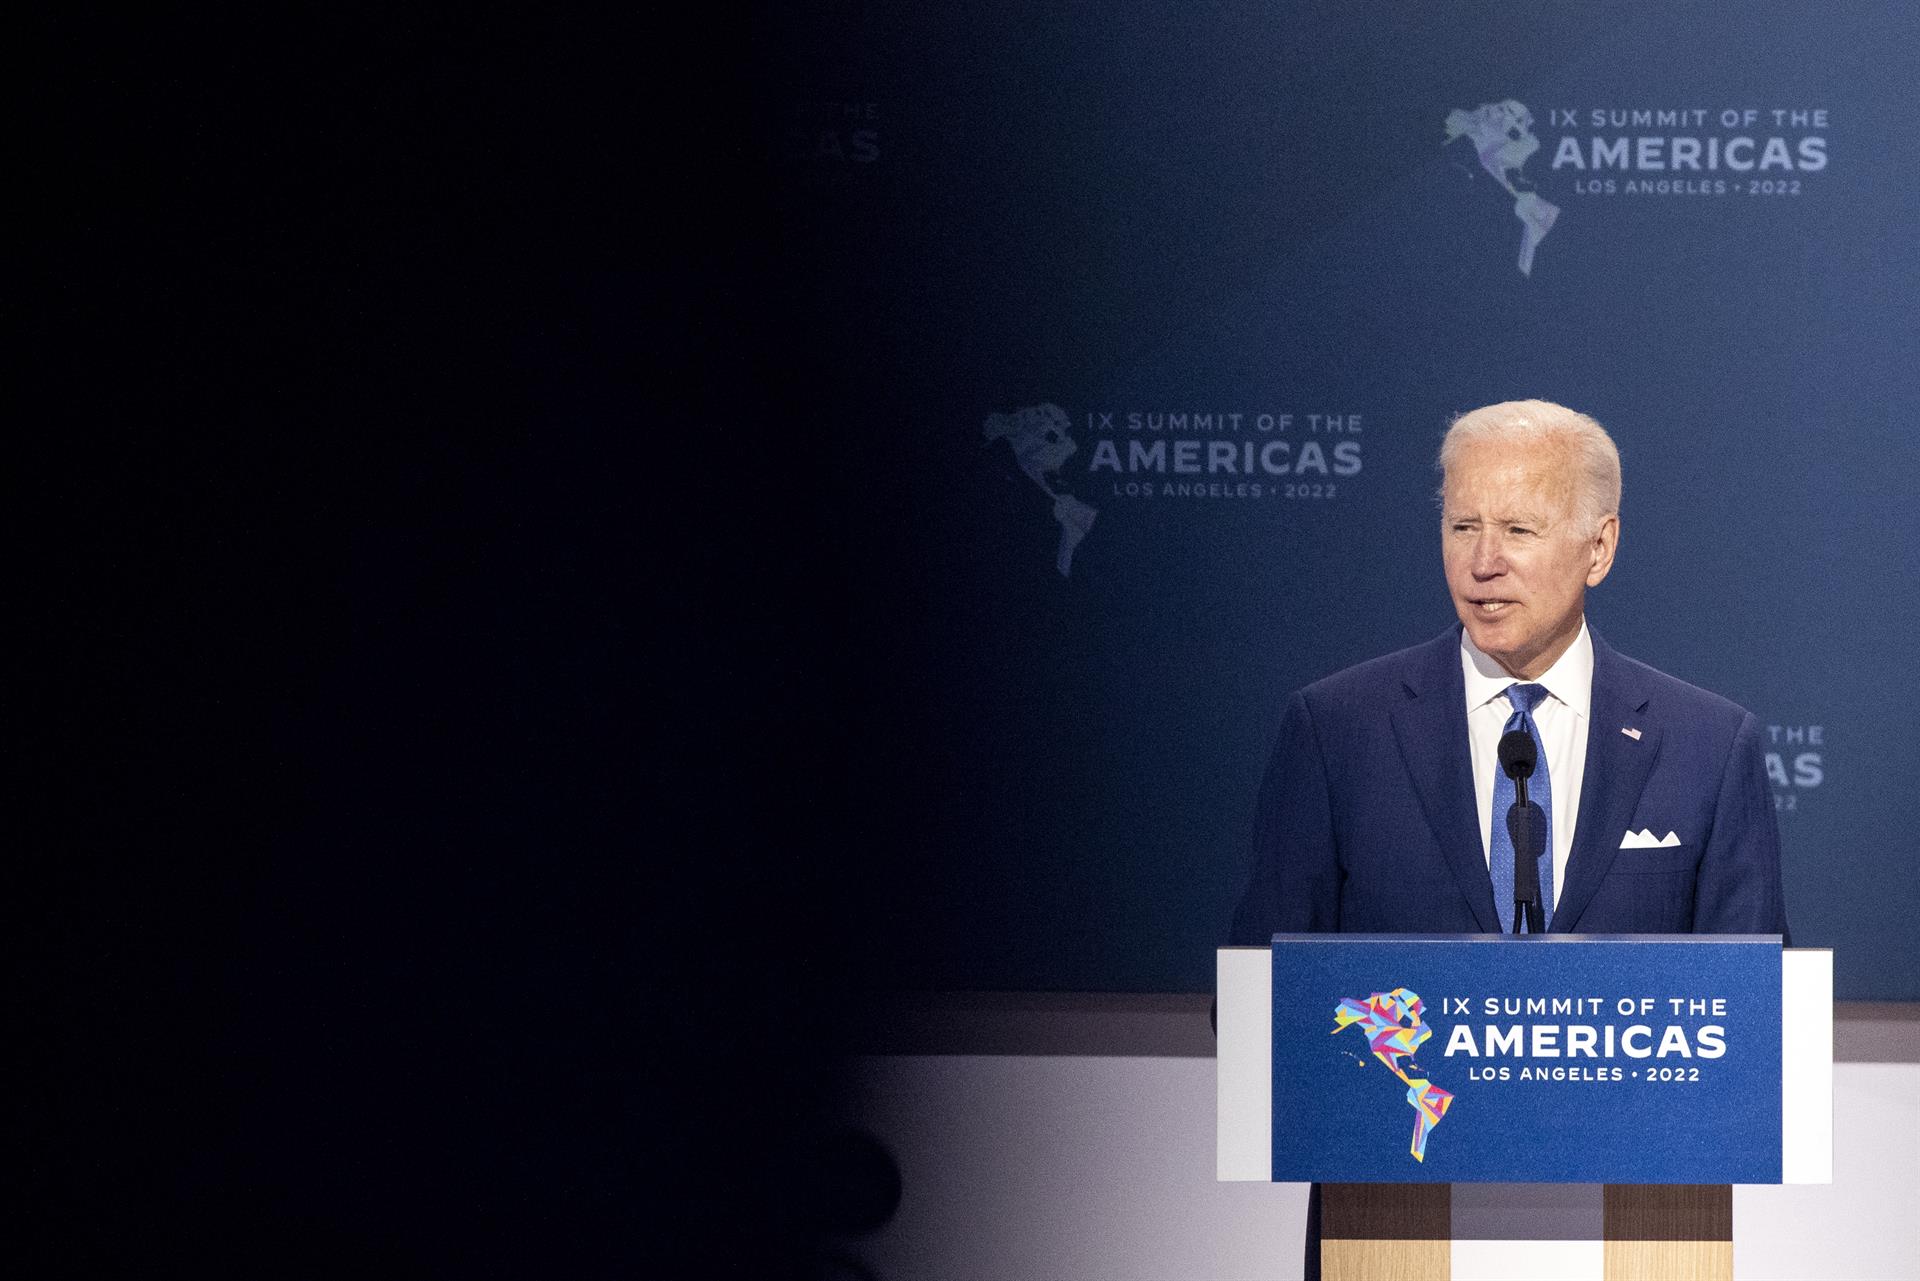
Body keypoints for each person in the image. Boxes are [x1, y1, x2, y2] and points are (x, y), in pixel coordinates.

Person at [1227, 399, 1790, 1280]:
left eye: (1519, 528)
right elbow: (1257, 1003)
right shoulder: (1338, 728)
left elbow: (1757, 1030)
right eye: (1462, 525)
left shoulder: (1709, 745)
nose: (1482, 562)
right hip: (1393, 1229)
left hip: (1637, 1233)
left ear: (1598, 547)